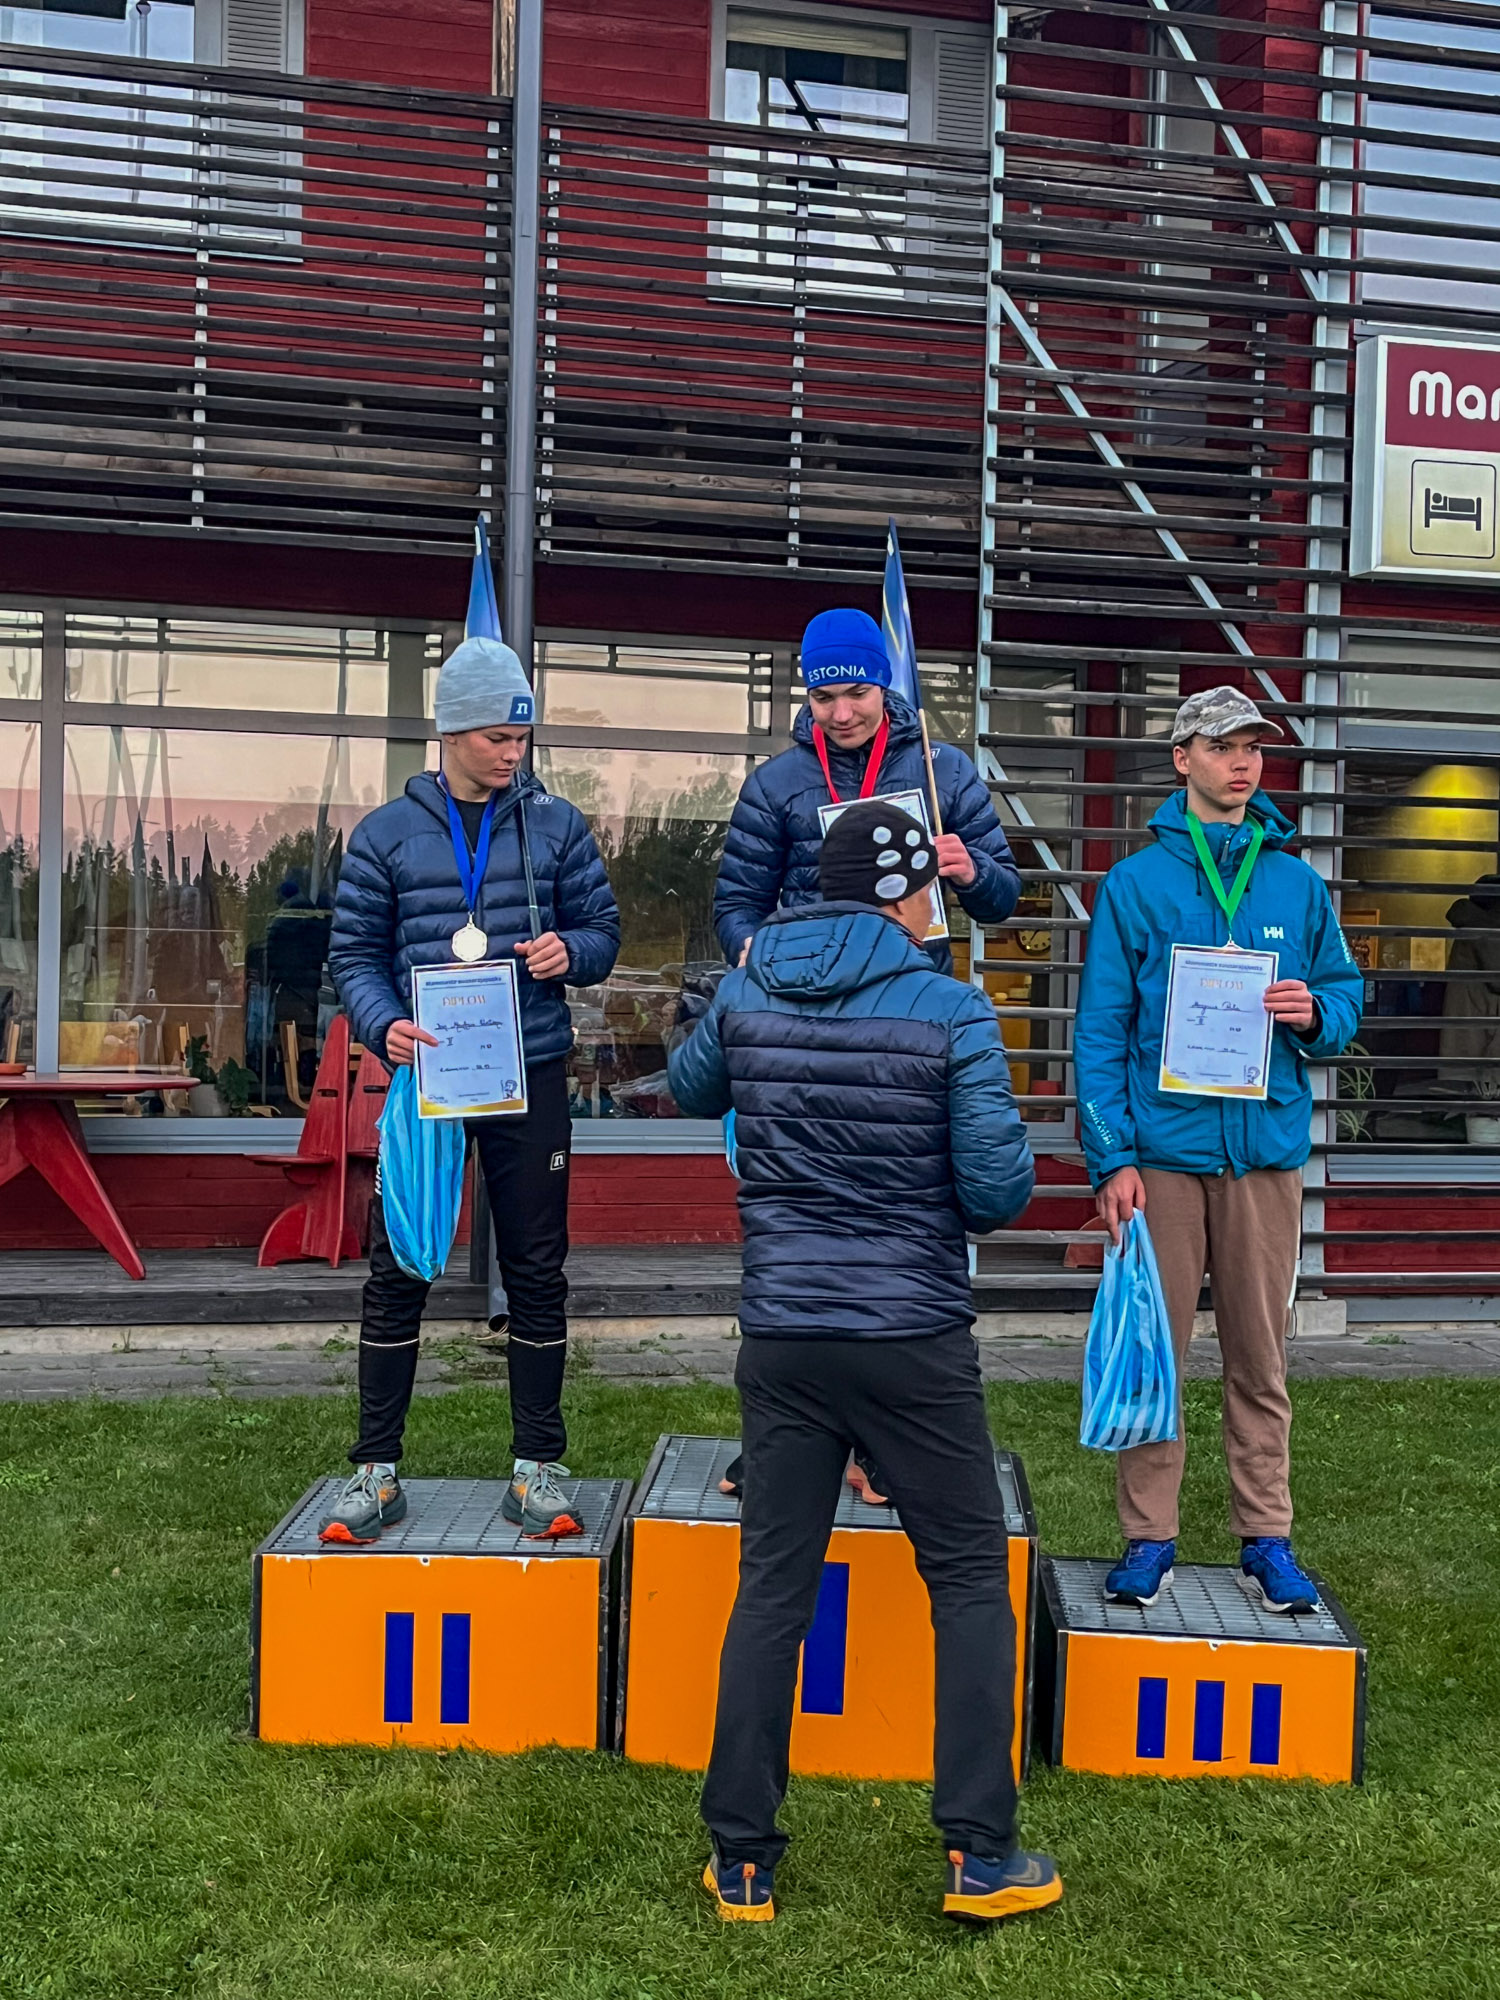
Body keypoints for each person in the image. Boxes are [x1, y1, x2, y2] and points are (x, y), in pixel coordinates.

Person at [668, 799, 1061, 1927]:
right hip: (912, 1333)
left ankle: (741, 1860)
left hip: (785, 1329)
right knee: (970, 1579)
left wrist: (732, 999)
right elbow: (997, 1191)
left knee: (773, 1587)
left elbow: (692, 1087)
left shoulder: (750, 984)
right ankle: (981, 1854)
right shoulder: (952, 1007)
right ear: (908, 893)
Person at [320, 637, 620, 1544]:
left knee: (536, 1269)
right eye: (497, 738)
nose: (513, 754)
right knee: (399, 1268)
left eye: (522, 738)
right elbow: (352, 956)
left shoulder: (557, 826)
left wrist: (572, 953)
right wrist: (382, 1025)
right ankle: (375, 1472)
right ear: (450, 733)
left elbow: (602, 931)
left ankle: (538, 1469)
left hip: (530, 1075)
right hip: (428, 1079)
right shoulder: (385, 835)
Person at [1073, 686, 1363, 1612]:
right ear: (1182, 759)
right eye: (1222, 746)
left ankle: (1265, 1537)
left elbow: (1345, 995)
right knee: (1154, 1352)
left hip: (1263, 1158)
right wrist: (1112, 1158)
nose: (1242, 763)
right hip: (1161, 1158)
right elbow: (1100, 1031)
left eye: (1252, 749)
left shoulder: (1296, 883)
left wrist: (1315, 1013)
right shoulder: (1136, 883)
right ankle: (1147, 1539)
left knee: (1260, 1358)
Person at [713, 606, 1021, 979]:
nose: (842, 714)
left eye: (857, 693)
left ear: (883, 685)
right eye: (823, 697)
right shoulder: (773, 783)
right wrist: (748, 946)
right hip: (810, 988)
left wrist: (974, 872)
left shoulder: (944, 769)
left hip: (913, 990)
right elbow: (738, 905)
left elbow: (1001, 903)